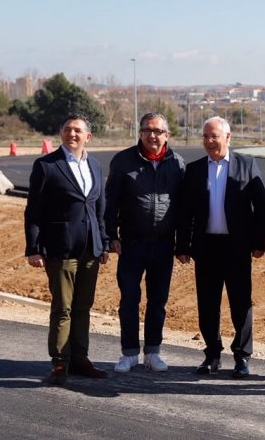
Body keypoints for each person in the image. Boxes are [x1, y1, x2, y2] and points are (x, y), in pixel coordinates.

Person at [176, 116, 265, 379]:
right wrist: (182, 245)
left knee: (241, 303)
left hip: (237, 247)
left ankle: (241, 356)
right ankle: (212, 354)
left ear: (228, 138)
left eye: (214, 136)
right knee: (207, 303)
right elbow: (185, 212)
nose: (209, 141)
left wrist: (259, 242)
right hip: (206, 247)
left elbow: (261, 208)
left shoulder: (246, 165)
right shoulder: (194, 170)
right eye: (205, 136)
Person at [24, 113, 110, 385]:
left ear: (88, 137)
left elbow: (99, 209)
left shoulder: (95, 165)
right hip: (60, 249)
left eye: (77, 130)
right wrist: (34, 248)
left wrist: (104, 242)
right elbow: (33, 211)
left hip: (90, 250)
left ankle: (80, 359)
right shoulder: (47, 166)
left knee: (84, 306)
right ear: (61, 133)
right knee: (63, 307)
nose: (72, 134)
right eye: (67, 129)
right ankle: (60, 362)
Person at [105, 112, 185, 373]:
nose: (153, 135)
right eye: (147, 130)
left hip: (163, 244)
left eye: (158, 131)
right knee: (129, 298)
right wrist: (111, 236)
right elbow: (109, 203)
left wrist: (183, 244)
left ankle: (153, 352)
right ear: (140, 133)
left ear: (167, 135)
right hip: (131, 243)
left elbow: (186, 209)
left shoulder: (177, 164)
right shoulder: (123, 161)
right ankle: (129, 353)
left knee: (158, 301)